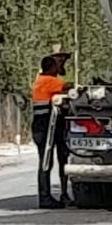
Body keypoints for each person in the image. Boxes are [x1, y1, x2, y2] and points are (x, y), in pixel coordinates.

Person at [31, 52, 71, 208]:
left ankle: (49, 195)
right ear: (52, 67)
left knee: (46, 160)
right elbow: (68, 86)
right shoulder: (49, 81)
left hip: (41, 125)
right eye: (58, 63)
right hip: (46, 125)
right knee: (47, 161)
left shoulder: (40, 81)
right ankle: (46, 197)